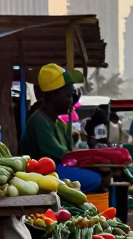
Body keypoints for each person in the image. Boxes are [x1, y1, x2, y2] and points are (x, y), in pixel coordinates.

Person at [20, 64, 103, 193]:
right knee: (95, 179)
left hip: (56, 170)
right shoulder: (39, 121)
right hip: (43, 174)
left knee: (100, 177)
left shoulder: (58, 123)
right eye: (68, 96)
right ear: (54, 95)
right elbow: (64, 155)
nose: (71, 101)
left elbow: (70, 148)